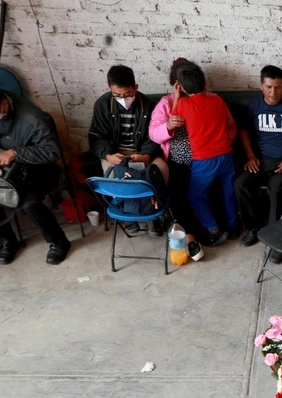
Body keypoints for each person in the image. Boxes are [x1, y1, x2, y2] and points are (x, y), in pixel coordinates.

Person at [0, 85, 71, 265]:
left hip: (35, 169)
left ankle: (58, 242)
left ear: (4, 103)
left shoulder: (34, 119)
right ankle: (7, 241)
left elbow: (52, 152)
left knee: (28, 203)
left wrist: (16, 153)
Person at [234, 65, 282, 247]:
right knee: (240, 184)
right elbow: (244, 131)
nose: (273, 92)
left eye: (278, 87)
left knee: (276, 189)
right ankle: (254, 227)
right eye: (269, 87)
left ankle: (275, 235)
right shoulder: (254, 106)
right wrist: (250, 156)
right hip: (261, 161)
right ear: (261, 85)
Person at [88, 64, 168, 236]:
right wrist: (108, 155)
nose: (123, 99)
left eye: (127, 94)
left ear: (135, 87)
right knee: (112, 177)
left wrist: (145, 156)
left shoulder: (149, 106)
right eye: (117, 95)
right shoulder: (102, 105)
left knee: (160, 172)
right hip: (114, 152)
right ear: (109, 89)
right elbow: (96, 137)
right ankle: (125, 214)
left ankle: (151, 214)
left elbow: (154, 136)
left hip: (141, 151)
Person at [171, 62, 241, 247]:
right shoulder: (217, 100)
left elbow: (174, 120)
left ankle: (213, 230)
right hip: (226, 155)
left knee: (195, 195)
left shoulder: (184, 104)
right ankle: (233, 227)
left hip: (204, 160)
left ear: (183, 87)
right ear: (206, 84)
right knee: (228, 192)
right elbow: (229, 124)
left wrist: (177, 97)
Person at [149, 58, 204, 261]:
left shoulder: (208, 99)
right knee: (177, 191)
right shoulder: (165, 104)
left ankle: (210, 230)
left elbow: (229, 127)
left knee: (207, 185)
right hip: (177, 160)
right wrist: (169, 125)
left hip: (205, 157)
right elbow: (154, 134)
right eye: (181, 86)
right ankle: (190, 236)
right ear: (176, 85)